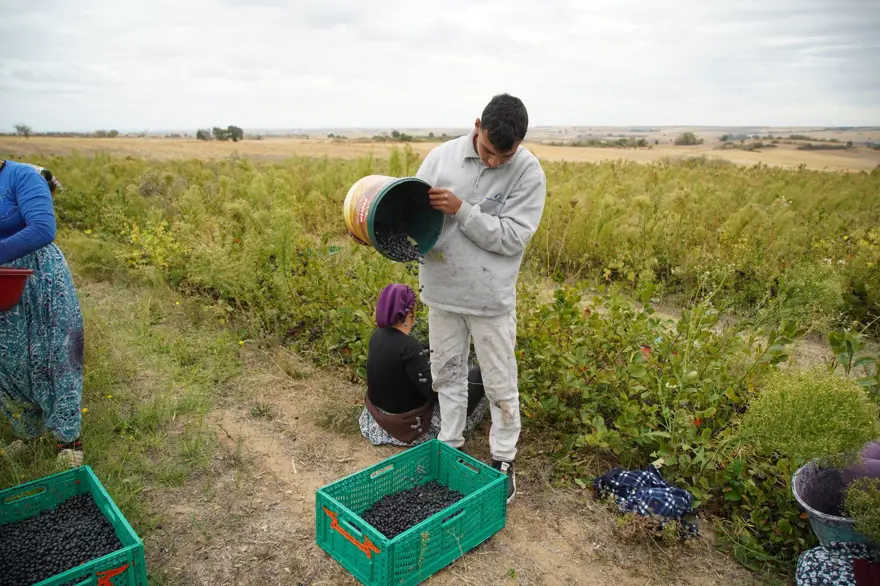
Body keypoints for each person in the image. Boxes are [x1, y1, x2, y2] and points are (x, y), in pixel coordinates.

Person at [415, 93, 547, 503]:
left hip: (490, 299)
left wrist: (462, 210)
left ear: (519, 146)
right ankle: (449, 444)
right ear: (477, 126)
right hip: (442, 292)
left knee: (499, 382)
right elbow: (412, 211)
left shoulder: (528, 173)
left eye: (502, 157)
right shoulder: (440, 159)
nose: (493, 162)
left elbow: (511, 238)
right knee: (447, 373)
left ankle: (503, 458)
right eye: (488, 150)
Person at [0, 160, 84, 466]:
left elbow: (42, 229)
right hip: (2, 289)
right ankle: (29, 435)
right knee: (8, 362)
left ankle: (68, 441)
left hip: (40, 282)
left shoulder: (20, 176)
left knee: (56, 356)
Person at [358, 283, 489, 447]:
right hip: (408, 424)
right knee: (481, 373)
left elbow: (404, 359)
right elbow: (435, 393)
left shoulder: (377, 336)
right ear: (409, 312)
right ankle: (467, 425)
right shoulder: (409, 347)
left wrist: (427, 352)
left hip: (379, 417)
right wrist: (447, 371)